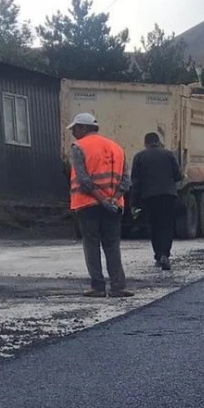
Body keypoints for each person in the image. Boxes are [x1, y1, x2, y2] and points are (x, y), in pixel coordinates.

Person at [68, 113, 134, 298]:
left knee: (92, 244)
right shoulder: (117, 148)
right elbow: (126, 180)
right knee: (112, 245)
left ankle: (97, 287)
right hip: (114, 205)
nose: (73, 132)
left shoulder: (79, 147)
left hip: (88, 204)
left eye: (75, 128)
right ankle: (118, 286)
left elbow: (84, 180)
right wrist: (113, 199)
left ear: (83, 128)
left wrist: (101, 199)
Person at [131, 132, 182, 271]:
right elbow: (178, 175)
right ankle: (165, 254)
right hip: (168, 195)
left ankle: (158, 254)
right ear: (158, 142)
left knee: (154, 226)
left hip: (149, 197)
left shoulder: (139, 157)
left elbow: (135, 181)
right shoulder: (169, 154)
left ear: (145, 143)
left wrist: (134, 202)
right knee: (167, 225)